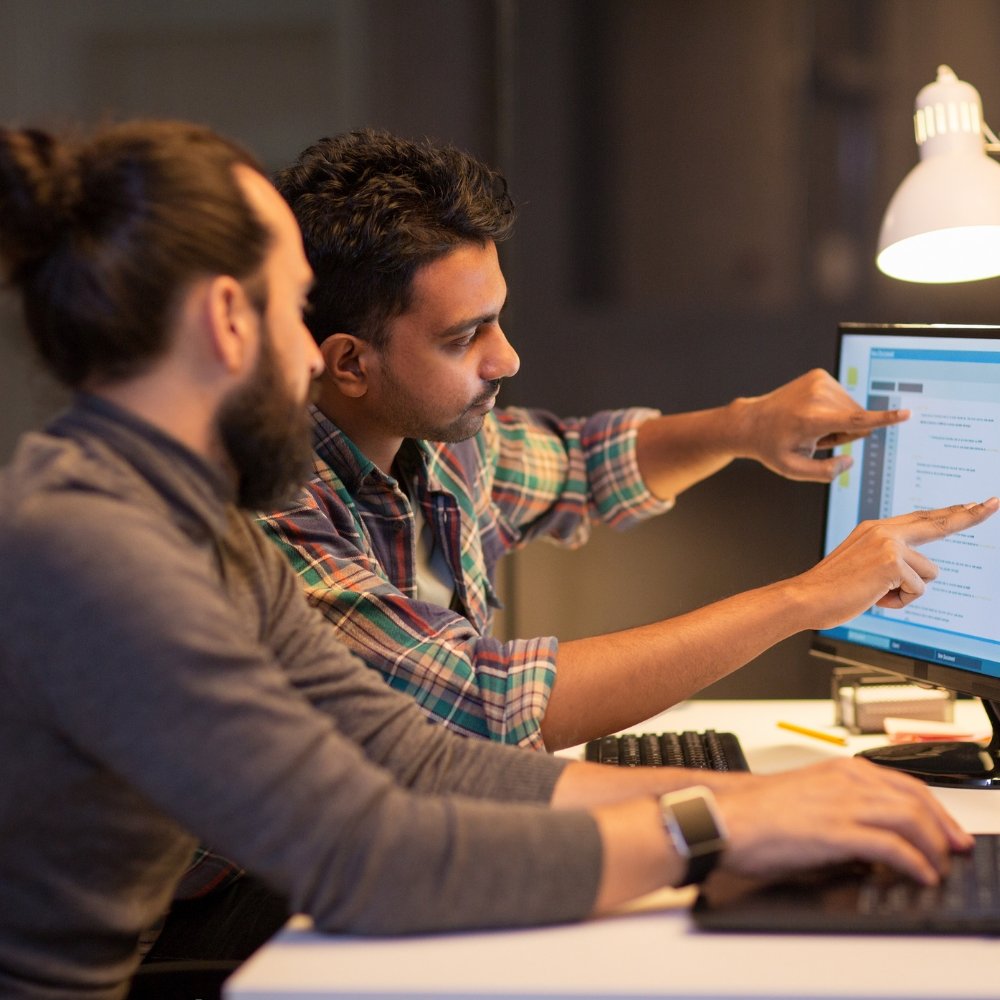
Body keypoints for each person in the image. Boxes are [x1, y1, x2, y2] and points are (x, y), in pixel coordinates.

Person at [0, 118, 992, 999]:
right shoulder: (96, 549)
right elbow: (368, 851)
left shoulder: (191, 518)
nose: (305, 361)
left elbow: (420, 757)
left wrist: (761, 802)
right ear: (229, 319)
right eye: (290, 308)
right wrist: (718, 829)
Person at [262, 129, 921, 751]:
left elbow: (582, 464)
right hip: (275, 875)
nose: (507, 360)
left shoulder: (441, 442)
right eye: (465, 338)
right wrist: (802, 599)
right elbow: (482, 701)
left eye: (498, 322)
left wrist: (744, 427)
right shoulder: (272, 512)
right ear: (349, 363)